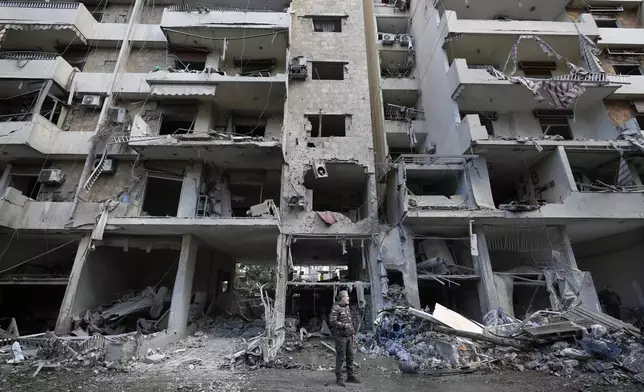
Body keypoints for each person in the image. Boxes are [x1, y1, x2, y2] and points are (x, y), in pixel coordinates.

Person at [329, 290, 360, 386]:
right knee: (341, 357)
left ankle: (350, 376)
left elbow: (350, 322)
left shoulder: (347, 307)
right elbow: (332, 321)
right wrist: (343, 325)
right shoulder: (336, 308)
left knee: (350, 357)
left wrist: (353, 334)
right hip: (340, 337)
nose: (348, 298)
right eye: (347, 296)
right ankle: (339, 378)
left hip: (348, 337)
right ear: (342, 297)